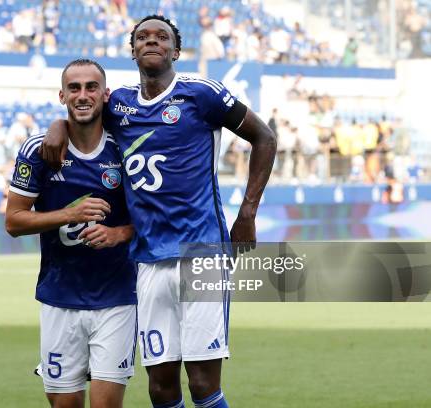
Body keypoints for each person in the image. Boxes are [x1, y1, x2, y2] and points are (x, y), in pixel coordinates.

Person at [41, 15, 277, 408]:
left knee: (203, 383)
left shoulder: (202, 94)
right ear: (132, 50)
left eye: (161, 37)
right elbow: (82, 112)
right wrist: (57, 126)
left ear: (176, 50)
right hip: (148, 261)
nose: (152, 41)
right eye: (142, 37)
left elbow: (264, 136)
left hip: (200, 253)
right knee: (160, 387)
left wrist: (248, 212)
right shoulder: (120, 104)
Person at [5, 59, 137, 408]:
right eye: (74, 88)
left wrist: (120, 232)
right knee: (65, 404)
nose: (83, 95)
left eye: (91, 87)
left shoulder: (126, 147)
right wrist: (69, 214)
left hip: (118, 296)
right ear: (62, 95)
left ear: (105, 95)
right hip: (59, 298)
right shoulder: (39, 150)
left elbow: (155, 213)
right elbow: (13, 221)